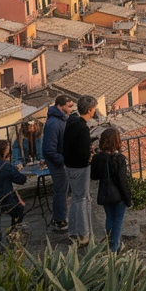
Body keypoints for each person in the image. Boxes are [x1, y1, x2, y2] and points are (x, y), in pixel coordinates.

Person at [91, 127, 132, 252]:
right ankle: (114, 247)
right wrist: (128, 198)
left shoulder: (97, 158)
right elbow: (122, 181)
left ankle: (111, 243)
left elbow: (94, 176)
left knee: (109, 218)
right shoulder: (119, 159)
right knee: (118, 220)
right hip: (118, 195)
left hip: (105, 193)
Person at [0, 139, 27, 251]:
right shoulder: (5, 166)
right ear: (3, 152)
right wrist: (17, 170)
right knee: (19, 210)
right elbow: (21, 180)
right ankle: (13, 234)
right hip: (6, 199)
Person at [63, 95, 96, 246]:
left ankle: (73, 231)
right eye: (94, 108)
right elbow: (84, 154)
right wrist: (91, 156)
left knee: (76, 198)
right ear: (89, 110)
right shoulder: (83, 128)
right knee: (82, 199)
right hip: (79, 168)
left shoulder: (71, 122)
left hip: (69, 165)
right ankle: (83, 234)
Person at [41, 95, 75, 233]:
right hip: (58, 163)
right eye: (69, 106)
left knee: (63, 190)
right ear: (61, 107)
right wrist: (62, 161)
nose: (71, 109)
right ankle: (60, 220)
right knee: (61, 190)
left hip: (60, 161)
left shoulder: (59, 120)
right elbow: (49, 149)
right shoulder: (54, 124)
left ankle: (61, 217)